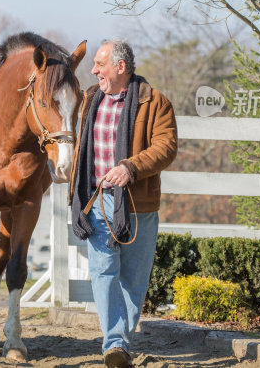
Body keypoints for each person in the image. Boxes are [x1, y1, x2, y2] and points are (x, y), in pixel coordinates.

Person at [69, 39, 178, 368]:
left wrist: (130, 167)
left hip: (137, 204)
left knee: (133, 278)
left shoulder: (154, 102)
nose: (93, 70)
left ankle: (121, 339)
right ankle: (114, 343)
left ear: (120, 67)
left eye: (99, 64)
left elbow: (166, 146)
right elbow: (82, 148)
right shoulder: (91, 98)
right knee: (102, 271)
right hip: (97, 199)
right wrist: (73, 179)